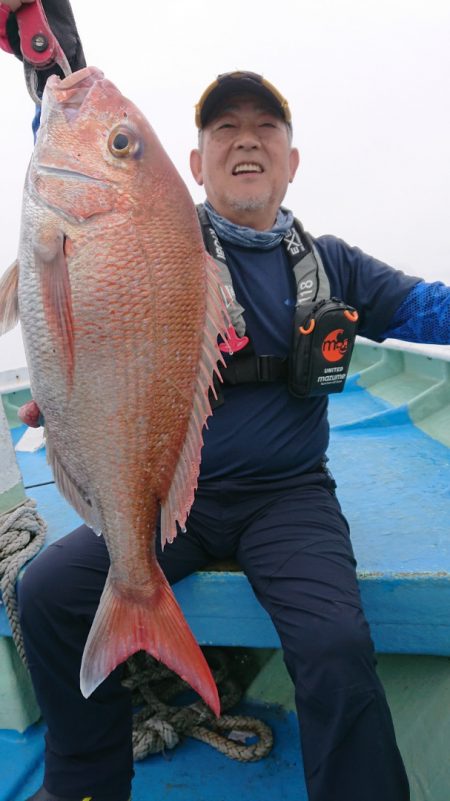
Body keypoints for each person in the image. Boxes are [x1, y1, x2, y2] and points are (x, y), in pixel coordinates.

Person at [1, 3, 450, 801]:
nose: (246, 138)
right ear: (194, 163)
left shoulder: (332, 262)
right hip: (177, 493)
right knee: (43, 595)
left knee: (336, 642)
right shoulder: (163, 235)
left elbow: (427, 309)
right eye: (223, 128)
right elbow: (84, 160)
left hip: (288, 497)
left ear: (292, 159)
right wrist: (51, 62)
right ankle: (84, 784)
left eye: (265, 127)